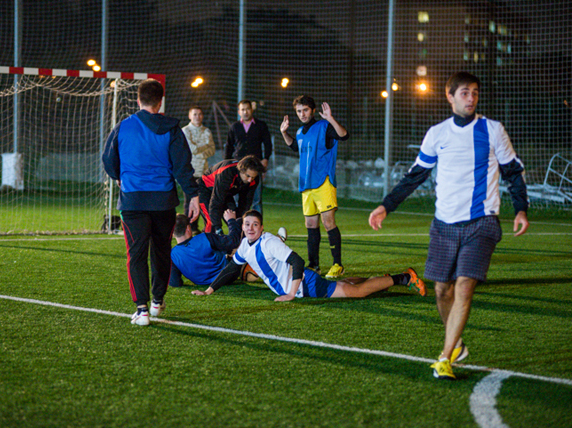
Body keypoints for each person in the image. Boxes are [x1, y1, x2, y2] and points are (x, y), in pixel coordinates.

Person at [368, 72, 529, 380]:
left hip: (482, 222)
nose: (471, 98)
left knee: (465, 285)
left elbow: (512, 171)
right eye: (465, 93)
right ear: (450, 96)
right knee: (442, 289)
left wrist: (520, 208)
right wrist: (386, 206)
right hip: (444, 225)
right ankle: (457, 345)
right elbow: (415, 176)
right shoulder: (437, 134)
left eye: (475, 92)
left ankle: (444, 357)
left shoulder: (493, 130)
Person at [102, 78, 200, 327]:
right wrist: (193, 195)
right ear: (160, 101)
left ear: (138, 100)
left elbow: (108, 159)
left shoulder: (123, 126)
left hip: (133, 201)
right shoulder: (172, 128)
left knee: (136, 254)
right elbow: (182, 166)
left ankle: (142, 309)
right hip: (163, 201)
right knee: (161, 250)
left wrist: (118, 176)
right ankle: (157, 301)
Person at [192, 210, 426, 301]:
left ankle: (404, 278)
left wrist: (291, 293)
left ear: (262, 228)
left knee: (356, 292)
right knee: (345, 284)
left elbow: (298, 261)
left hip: (306, 285)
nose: (251, 228)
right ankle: (383, 280)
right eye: (247, 224)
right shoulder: (245, 246)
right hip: (302, 285)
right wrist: (209, 290)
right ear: (243, 228)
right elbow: (231, 268)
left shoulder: (269, 242)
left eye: (255, 224)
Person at [280, 96, 349, 279]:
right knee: (310, 224)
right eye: (299, 111)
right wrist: (284, 133)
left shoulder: (324, 127)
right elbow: (295, 147)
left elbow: (344, 135)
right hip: (306, 184)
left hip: (323, 182)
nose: (302, 114)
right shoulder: (300, 132)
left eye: (305, 110)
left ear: (312, 110)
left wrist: (330, 118)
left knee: (328, 223)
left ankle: (338, 265)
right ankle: (314, 265)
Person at [169, 209, 242, 288]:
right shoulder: (204, 238)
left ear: (172, 234)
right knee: (240, 222)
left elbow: (175, 282)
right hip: (228, 275)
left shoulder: (172, 255)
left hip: (202, 283)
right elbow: (233, 242)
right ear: (188, 228)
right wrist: (231, 220)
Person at [198, 155, 266, 234]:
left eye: (253, 177)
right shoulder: (227, 173)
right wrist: (218, 228)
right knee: (211, 222)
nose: (250, 180)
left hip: (225, 192)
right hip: (205, 189)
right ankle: (207, 240)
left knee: (233, 218)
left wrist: (241, 227)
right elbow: (216, 202)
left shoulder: (254, 180)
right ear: (241, 170)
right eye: (247, 176)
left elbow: (245, 203)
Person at [226, 100, 272, 213]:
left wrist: (265, 158)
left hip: (255, 166)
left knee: (256, 200)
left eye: (247, 109)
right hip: (238, 167)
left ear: (251, 110)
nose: (245, 112)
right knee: (237, 199)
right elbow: (229, 146)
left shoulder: (261, 125)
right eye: (243, 109)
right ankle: (237, 223)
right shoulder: (234, 127)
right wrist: (227, 164)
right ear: (239, 112)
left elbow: (268, 144)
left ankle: (257, 223)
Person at [182, 106, 216, 234]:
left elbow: (212, 150)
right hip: (190, 171)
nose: (198, 117)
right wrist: (204, 147)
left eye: (200, 114)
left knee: (204, 201)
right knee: (189, 201)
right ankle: (189, 227)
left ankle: (207, 228)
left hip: (203, 172)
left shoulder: (207, 131)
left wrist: (200, 152)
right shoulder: (185, 131)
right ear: (189, 116)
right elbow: (192, 149)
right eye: (195, 114)